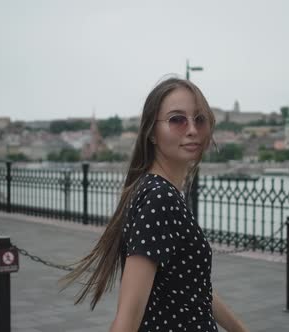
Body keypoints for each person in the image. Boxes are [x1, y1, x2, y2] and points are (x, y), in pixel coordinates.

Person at [60, 77, 249, 332]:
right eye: (177, 120)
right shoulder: (159, 199)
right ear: (151, 133)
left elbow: (192, 288)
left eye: (200, 119)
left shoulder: (157, 191)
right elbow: (127, 320)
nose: (192, 129)